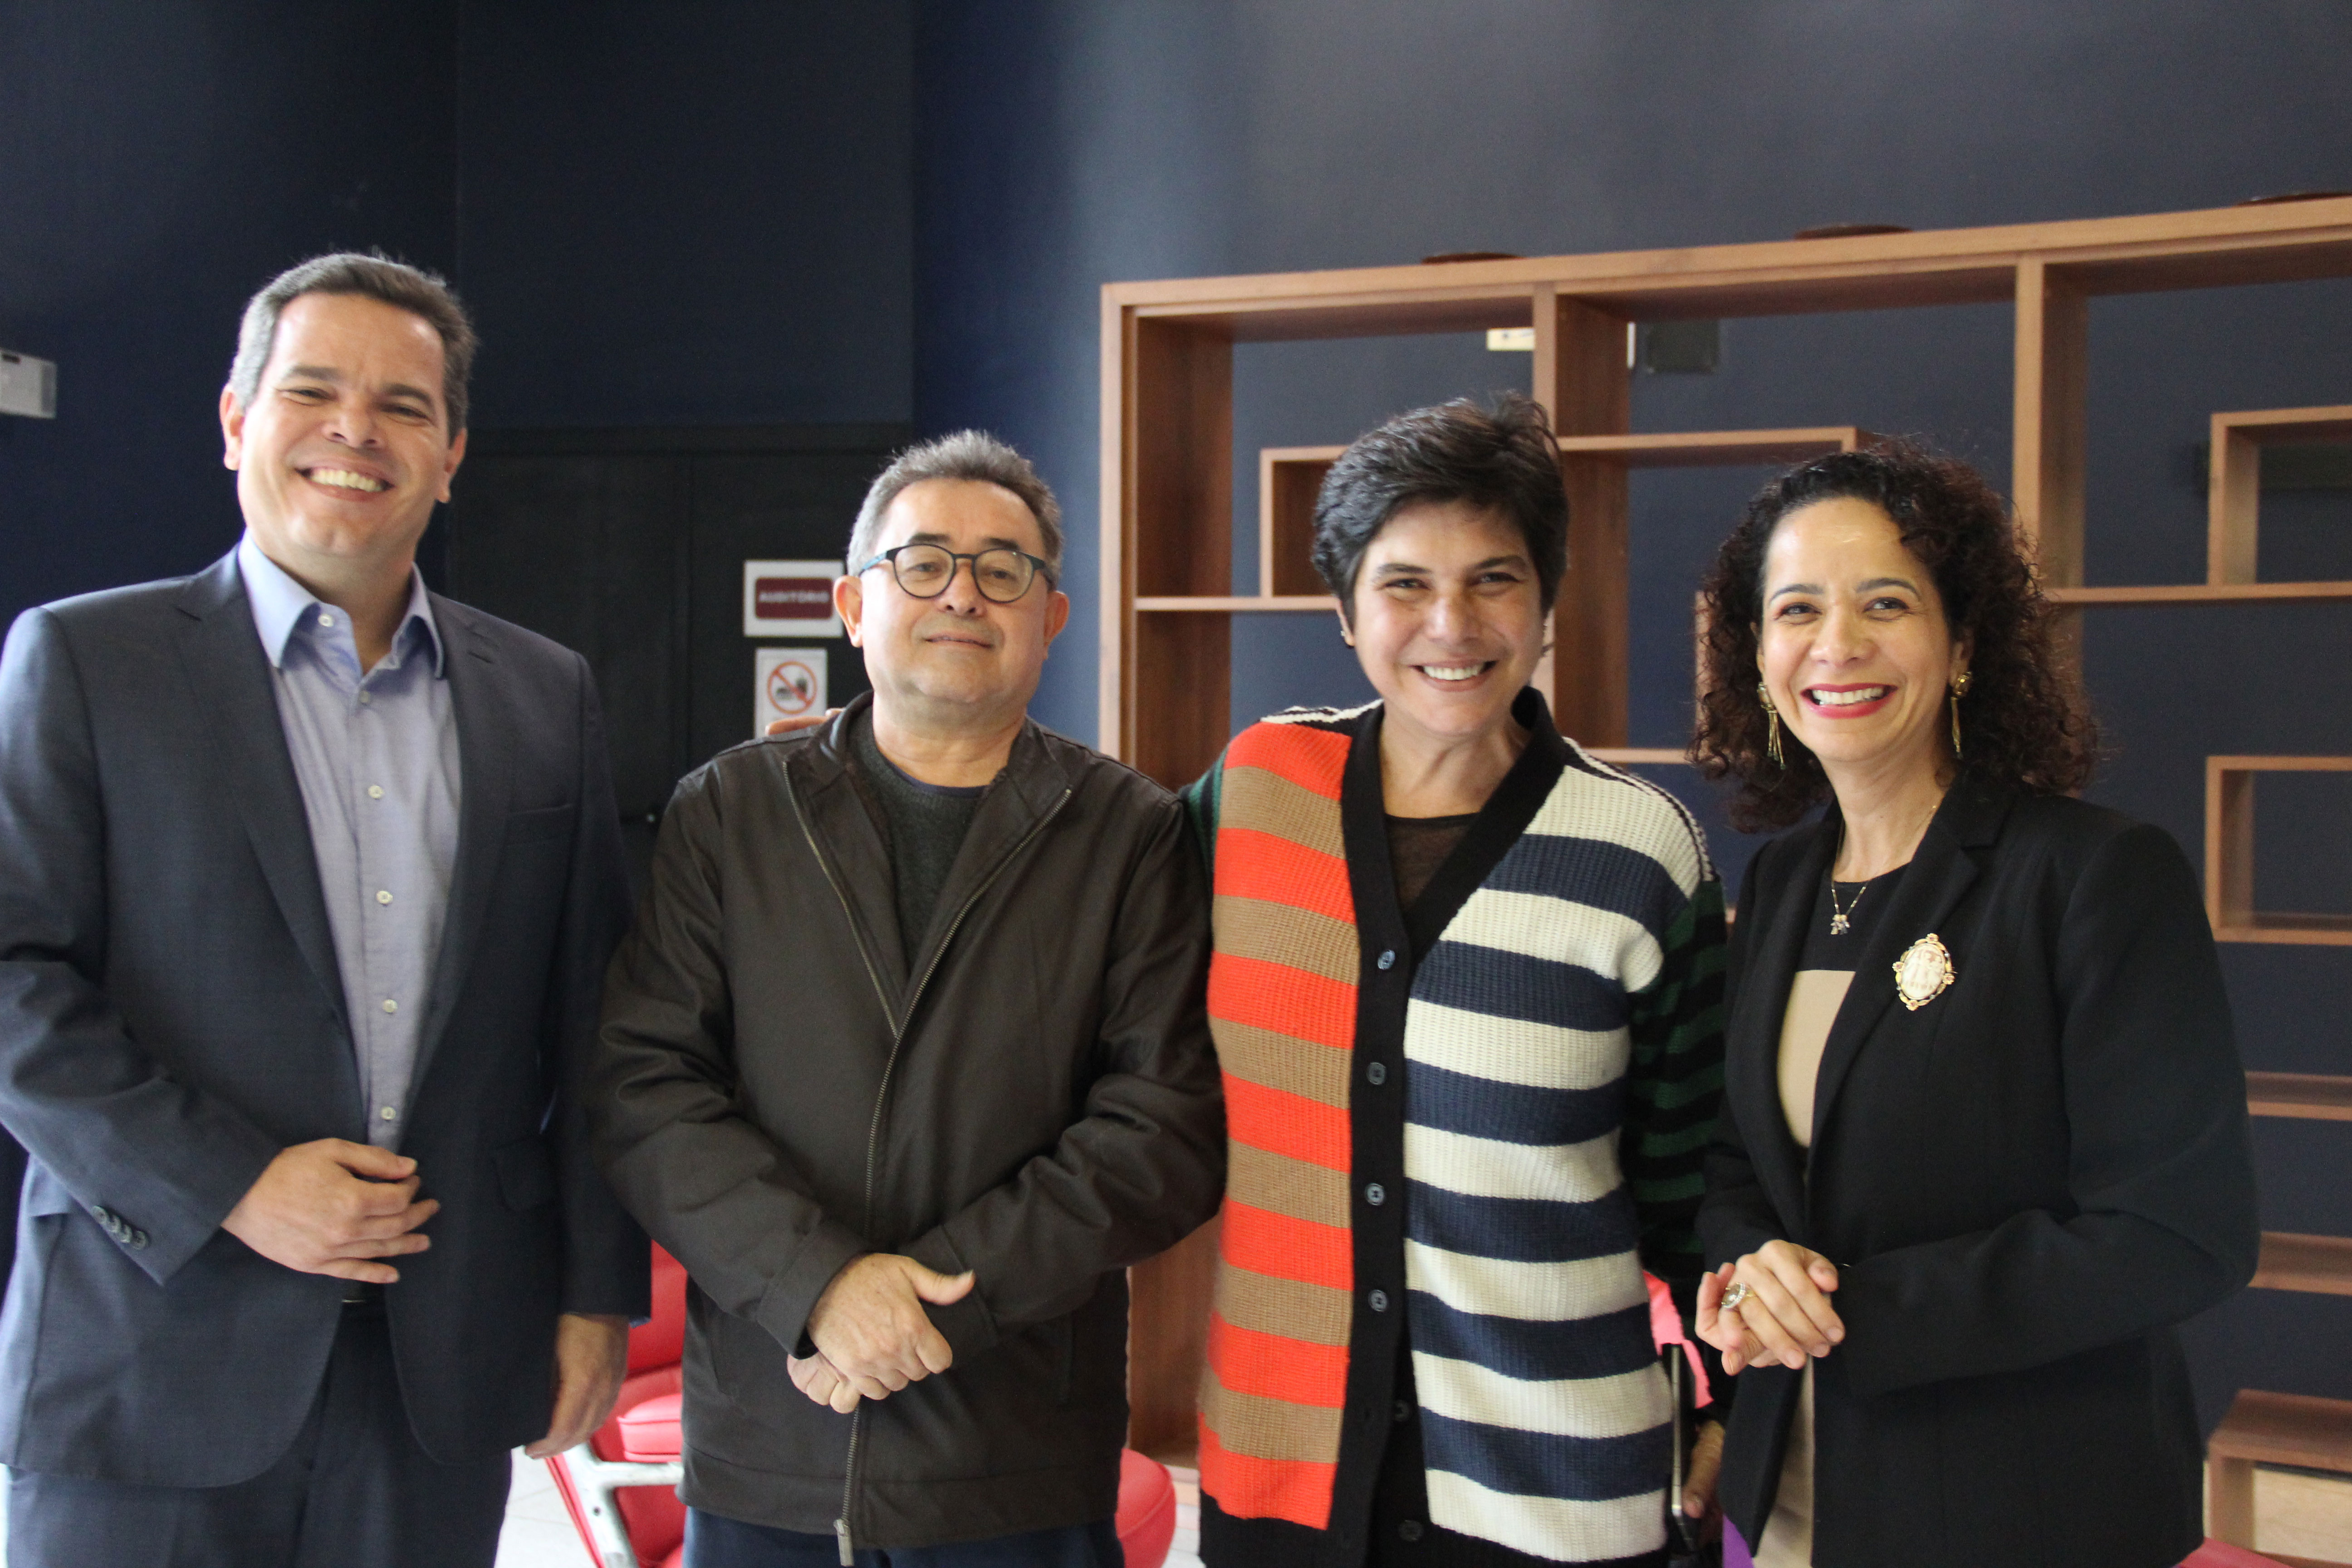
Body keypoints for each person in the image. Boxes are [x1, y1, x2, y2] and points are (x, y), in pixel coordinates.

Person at [0, 253, 648, 1567]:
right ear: (236, 419)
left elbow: (596, 1020)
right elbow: (14, 976)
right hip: (154, 1347)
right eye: (312, 391)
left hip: (438, 1369)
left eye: (405, 406)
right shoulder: (85, 661)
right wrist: (231, 1184)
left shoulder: (544, 695)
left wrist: (597, 1299)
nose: (357, 430)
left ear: (450, 456)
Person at [590, 431, 1226, 1568]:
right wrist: (820, 1287)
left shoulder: (1130, 834)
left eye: (1003, 570)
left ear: (1052, 617)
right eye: (923, 563)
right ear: (852, 604)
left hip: (1016, 1453)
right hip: (773, 1438)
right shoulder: (730, 813)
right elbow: (647, 1088)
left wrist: (927, 1307)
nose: (963, 595)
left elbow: (1161, 1130)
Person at [1687, 445, 2259, 1568]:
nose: (1837, 644)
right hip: (1796, 1487)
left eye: (1885, 603)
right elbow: (1736, 1166)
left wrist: (1851, 1311)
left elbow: (2180, 1233)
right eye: (1797, 610)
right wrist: (1753, 1264)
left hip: (2025, 1503)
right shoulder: (1785, 881)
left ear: (1962, 645)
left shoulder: (2091, 875)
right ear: (1758, 656)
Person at [1184, 395, 1729, 1568]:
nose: (1452, 624)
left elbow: (1696, 1181)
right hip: (1283, 1474)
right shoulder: (1255, 793)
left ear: (1546, 603)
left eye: (1495, 580)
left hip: (1559, 1490)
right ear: (1345, 612)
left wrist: (1727, 1405)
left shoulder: (1640, 850)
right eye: (1404, 585)